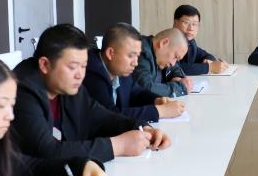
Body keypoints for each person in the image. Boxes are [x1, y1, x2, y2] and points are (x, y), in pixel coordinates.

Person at [13, 24, 167, 162]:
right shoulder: (22, 91)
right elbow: (46, 152)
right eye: (73, 67)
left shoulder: (68, 86)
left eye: (83, 66)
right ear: (45, 65)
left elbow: (102, 117)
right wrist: (117, 146)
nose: (80, 75)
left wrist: (141, 128)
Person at [85, 23, 185, 125]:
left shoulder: (120, 68)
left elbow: (136, 92)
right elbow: (109, 116)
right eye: (131, 56)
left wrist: (157, 100)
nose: (135, 63)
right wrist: (159, 111)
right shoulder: (92, 73)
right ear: (110, 53)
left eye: (137, 56)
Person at [133, 27, 194, 98]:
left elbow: (175, 68)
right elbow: (146, 89)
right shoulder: (140, 54)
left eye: (177, 60)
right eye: (175, 56)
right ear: (163, 43)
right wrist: (181, 88)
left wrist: (177, 77)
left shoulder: (159, 55)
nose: (173, 63)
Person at [173, 4, 229, 76]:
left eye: (194, 24)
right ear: (175, 23)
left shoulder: (191, 43)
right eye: (186, 23)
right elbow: (175, 69)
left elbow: (206, 55)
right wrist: (209, 67)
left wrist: (210, 61)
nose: (191, 28)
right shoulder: (169, 43)